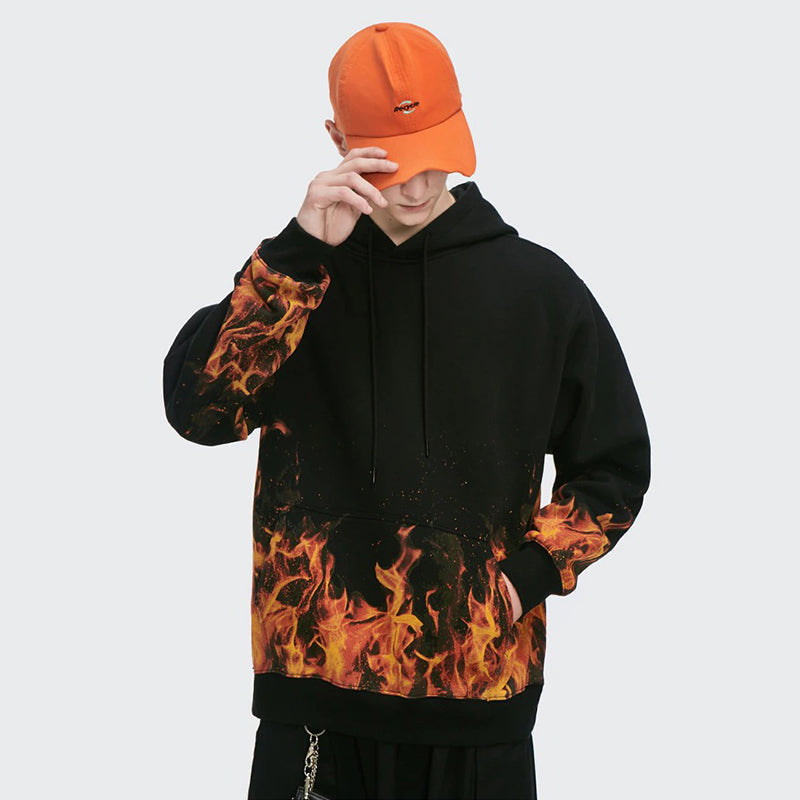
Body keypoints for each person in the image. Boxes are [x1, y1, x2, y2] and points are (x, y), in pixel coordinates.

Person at [162, 21, 651, 800]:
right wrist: (293, 255)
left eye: (434, 156)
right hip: (314, 704)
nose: (418, 188)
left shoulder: (539, 290)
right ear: (338, 140)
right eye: (392, 163)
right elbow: (199, 410)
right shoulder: (296, 287)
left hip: (478, 705)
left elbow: (614, 468)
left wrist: (527, 577)